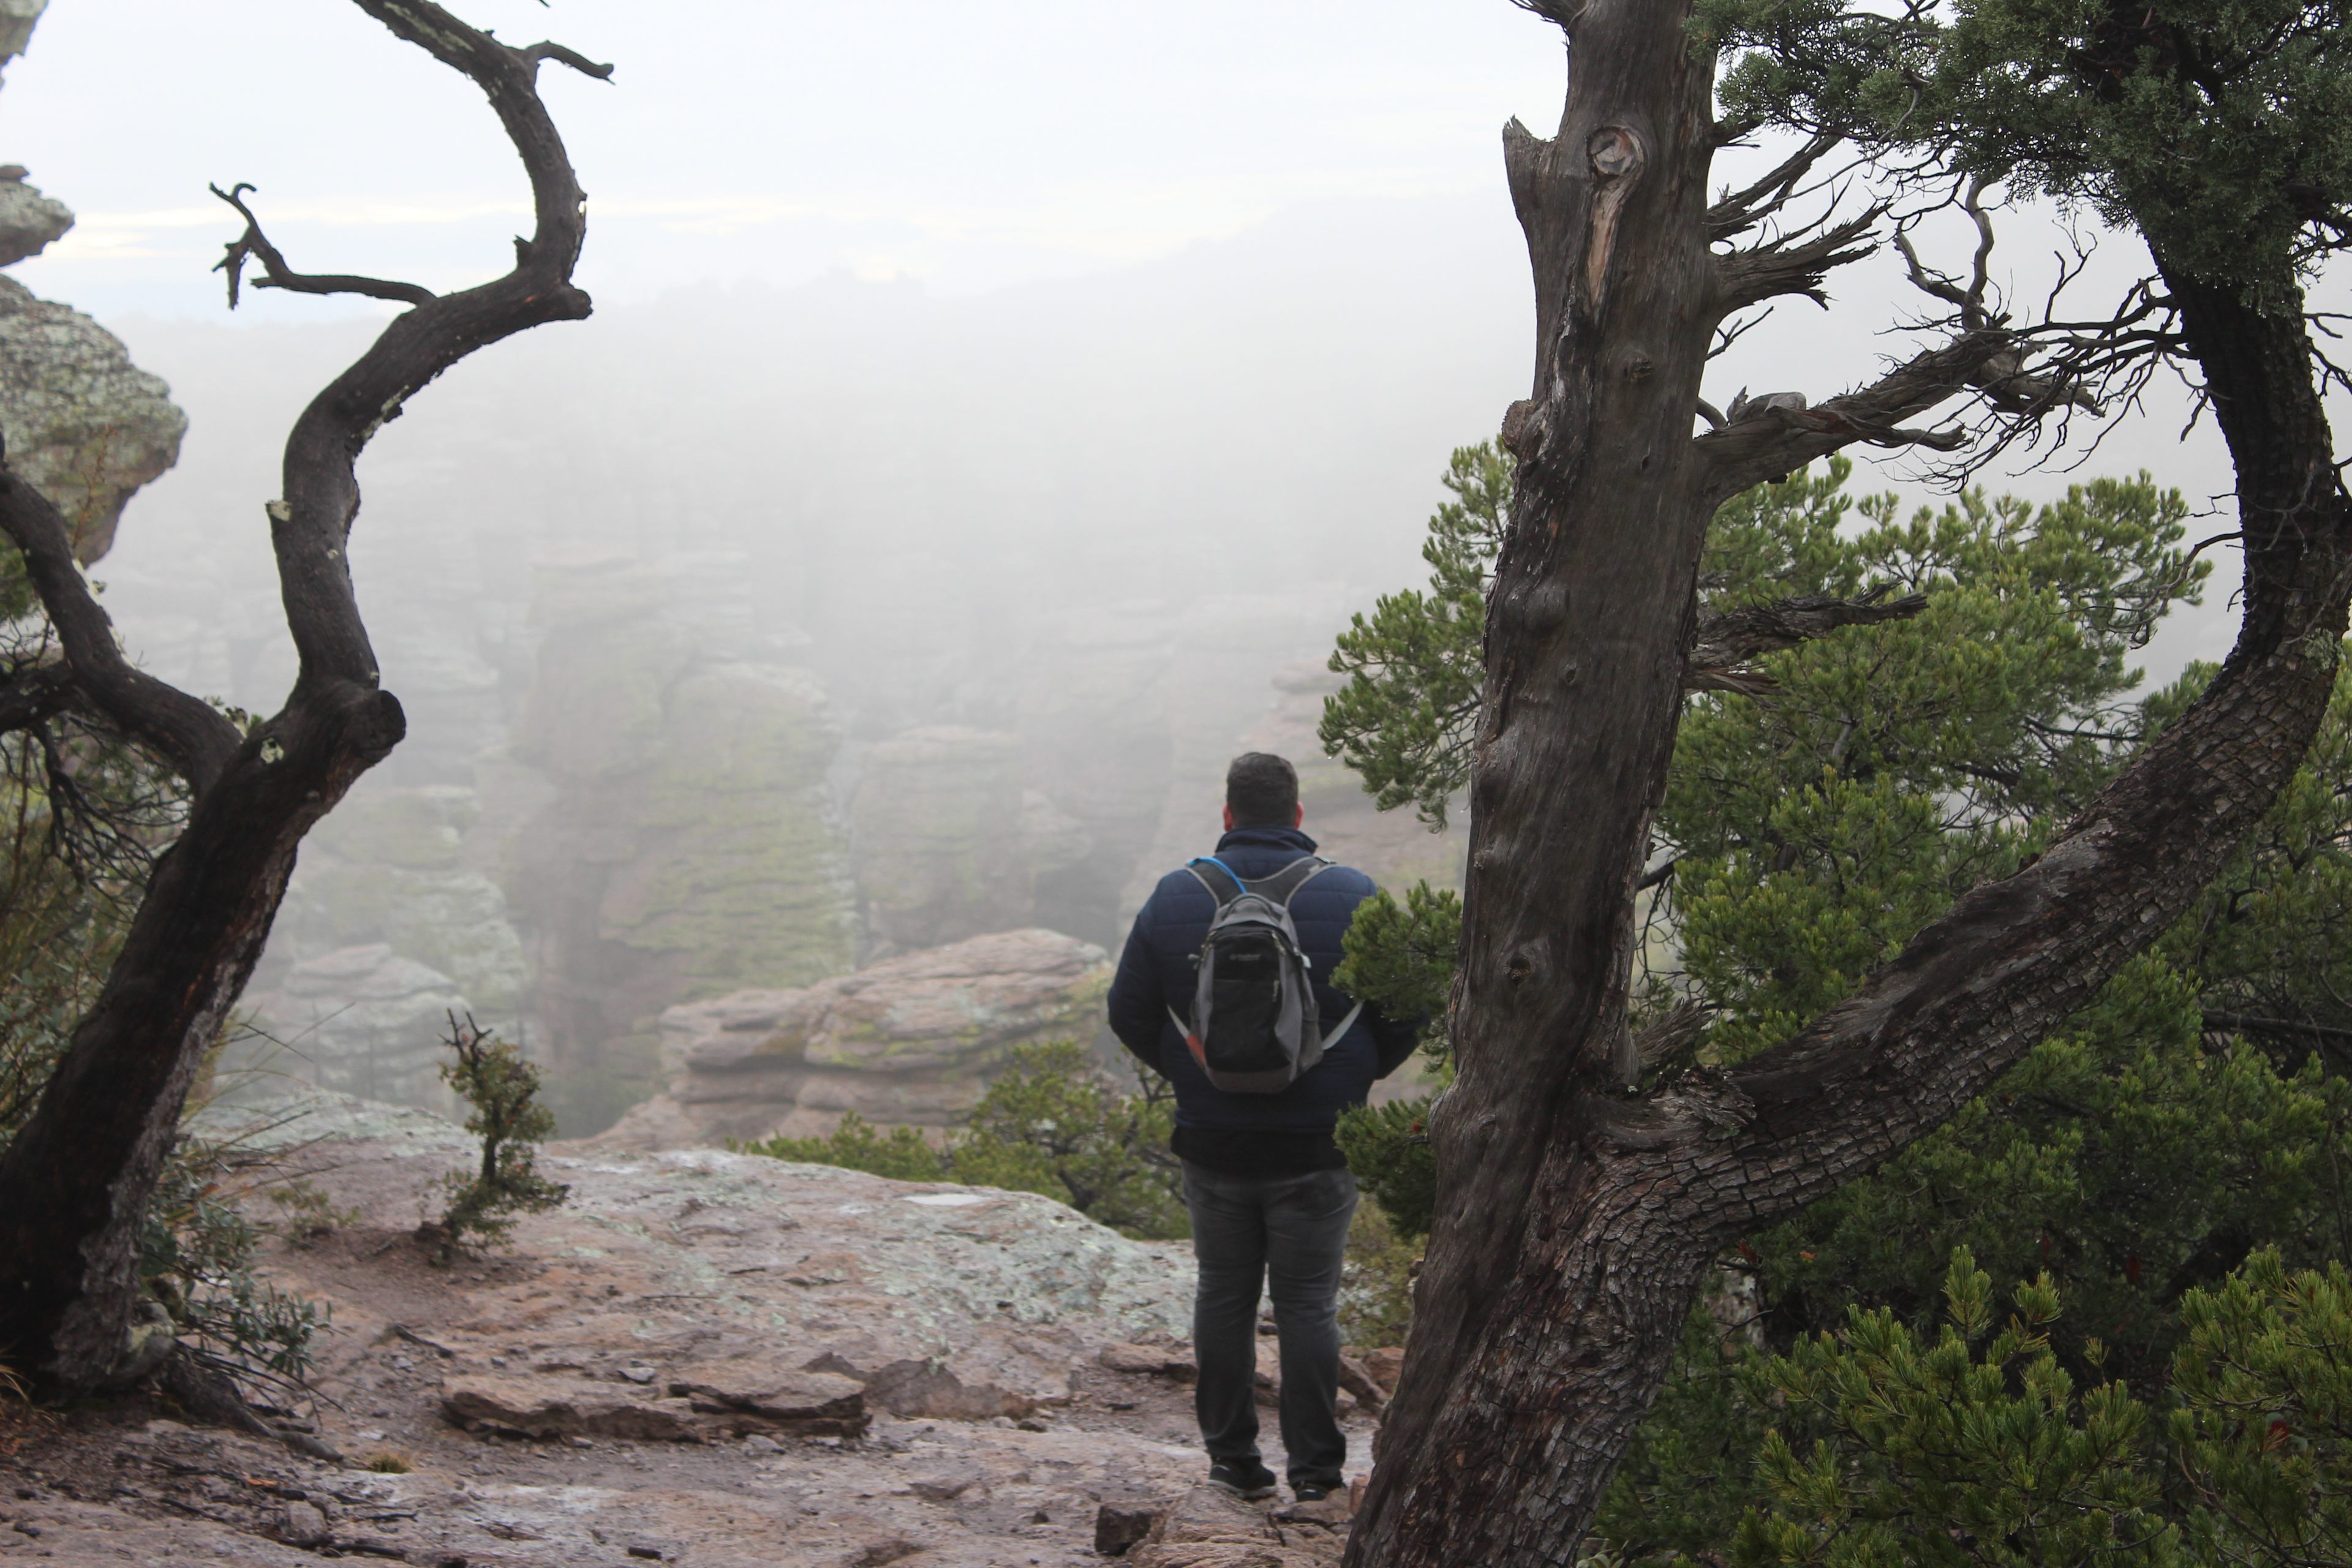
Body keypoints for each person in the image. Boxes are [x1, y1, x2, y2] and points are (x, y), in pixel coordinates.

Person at [1106, 752, 1419, 1504]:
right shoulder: (1353, 892)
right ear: (1298, 817)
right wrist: (1353, 1078)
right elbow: (1406, 1009)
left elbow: (1129, 1012)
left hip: (1212, 1139)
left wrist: (1197, 1068)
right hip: (1319, 1141)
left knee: (1223, 1295)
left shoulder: (1176, 894)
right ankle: (1316, 1475)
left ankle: (1233, 1464)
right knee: (1309, 1305)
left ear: (1227, 816)